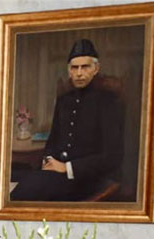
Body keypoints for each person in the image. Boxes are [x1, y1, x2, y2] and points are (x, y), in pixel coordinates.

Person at [11, 39, 124, 201]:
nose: (79, 73)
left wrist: (67, 168)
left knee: (23, 191)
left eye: (85, 67)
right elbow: (53, 139)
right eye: (74, 67)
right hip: (57, 172)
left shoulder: (107, 101)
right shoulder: (64, 100)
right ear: (69, 71)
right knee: (10, 176)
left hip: (86, 179)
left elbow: (112, 156)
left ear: (96, 69)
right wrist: (48, 160)